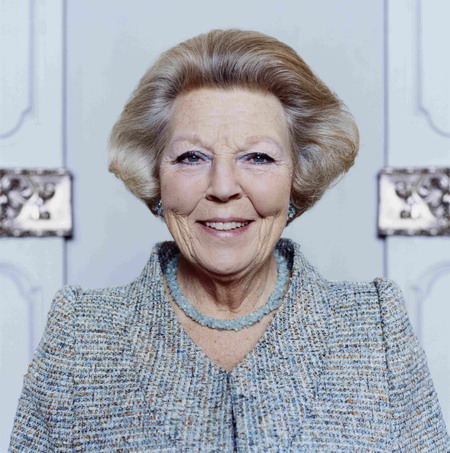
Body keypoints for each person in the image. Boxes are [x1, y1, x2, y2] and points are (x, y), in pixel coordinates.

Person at [9, 29, 450, 452]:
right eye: (191, 157)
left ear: (296, 180)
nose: (222, 187)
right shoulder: (79, 335)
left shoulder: (377, 328)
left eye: (258, 157)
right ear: (156, 177)